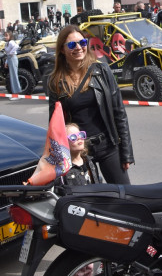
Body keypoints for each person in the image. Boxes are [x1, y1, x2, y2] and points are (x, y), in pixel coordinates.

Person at [47, 25, 134, 184]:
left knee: (125, 197)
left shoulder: (101, 70)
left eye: (83, 42)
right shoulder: (56, 82)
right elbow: (55, 126)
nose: (79, 48)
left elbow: (119, 112)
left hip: (108, 145)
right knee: (89, 201)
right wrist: (60, 159)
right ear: (62, 50)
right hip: (78, 152)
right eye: (72, 45)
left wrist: (126, 152)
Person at [4, 30, 21, 96]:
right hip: (9, 58)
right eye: (5, 36)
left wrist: (11, 52)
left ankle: (17, 92)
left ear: (10, 36)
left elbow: (16, 46)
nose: (5, 37)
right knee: (12, 75)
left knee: (14, 75)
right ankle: (15, 91)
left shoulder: (11, 42)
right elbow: (7, 53)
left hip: (13, 58)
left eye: (7, 36)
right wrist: (6, 62)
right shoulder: (7, 43)